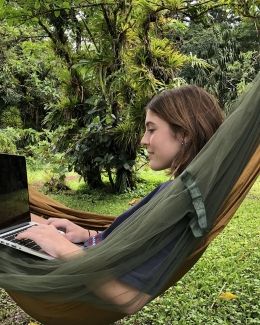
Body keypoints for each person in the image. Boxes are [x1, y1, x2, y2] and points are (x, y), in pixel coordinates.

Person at [16, 85, 224, 313]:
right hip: (89, 256)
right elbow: (134, 245)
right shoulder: (179, 190)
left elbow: (129, 299)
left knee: (18, 222)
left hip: (76, 276)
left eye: (151, 130)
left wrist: (61, 248)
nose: (143, 140)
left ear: (184, 133)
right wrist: (89, 235)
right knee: (27, 222)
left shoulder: (182, 201)